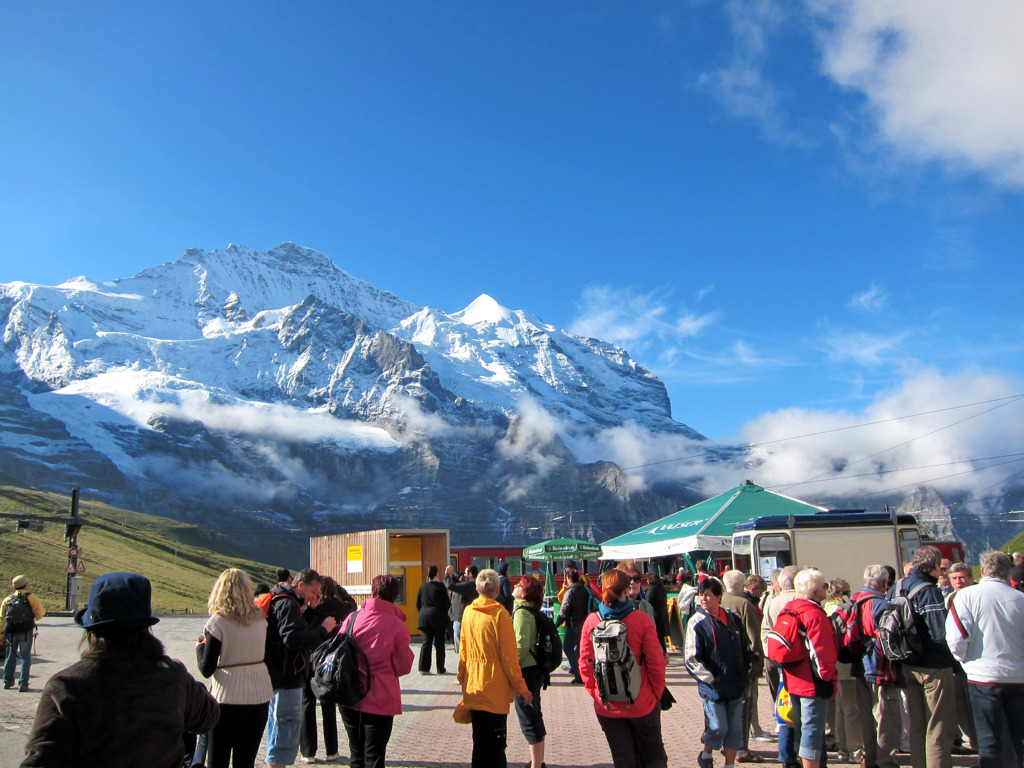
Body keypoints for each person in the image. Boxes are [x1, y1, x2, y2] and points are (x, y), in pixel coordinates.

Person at [21, 571, 219, 767]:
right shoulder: (171, 675)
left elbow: (41, 759)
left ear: (91, 629)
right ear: (145, 627)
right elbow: (209, 717)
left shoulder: (66, 686)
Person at [579, 569, 668, 768]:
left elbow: (585, 664)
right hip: (642, 701)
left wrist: (596, 692)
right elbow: (656, 662)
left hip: (608, 705)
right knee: (654, 756)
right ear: (626, 591)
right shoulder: (641, 619)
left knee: (623, 759)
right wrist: (655, 693)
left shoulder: (592, 621)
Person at [946, 550, 1024, 767]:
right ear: (1008, 570)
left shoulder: (966, 596)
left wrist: (965, 662)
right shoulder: (1020, 598)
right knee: (1020, 739)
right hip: (1018, 677)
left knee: (989, 741)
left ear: (983, 570)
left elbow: (955, 638)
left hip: (982, 676)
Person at [196, 568, 274, 768]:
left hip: (228, 695)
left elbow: (207, 669)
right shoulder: (259, 619)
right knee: (245, 760)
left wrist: (200, 648)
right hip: (259, 694)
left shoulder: (218, 622)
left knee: (217, 759)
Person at [458, 568, 532, 768]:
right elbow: (509, 657)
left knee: (479, 745)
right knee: (496, 747)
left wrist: (462, 677)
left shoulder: (468, 612)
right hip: (495, 689)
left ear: (477, 588)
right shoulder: (500, 614)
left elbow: (463, 651)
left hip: (474, 686)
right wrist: (522, 688)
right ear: (497, 590)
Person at [264, 568, 337, 768]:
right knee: (283, 736)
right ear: (301, 585)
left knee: (280, 733)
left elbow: (299, 630)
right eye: (314, 592)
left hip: (283, 676)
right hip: (287, 677)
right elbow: (292, 639)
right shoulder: (288, 605)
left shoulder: (289, 602)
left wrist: (312, 610)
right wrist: (323, 630)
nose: (317, 596)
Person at [340, 574, 414, 768]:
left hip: (349, 695)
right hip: (380, 697)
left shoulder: (352, 617)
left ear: (373, 591)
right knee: (374, 757)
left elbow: (339, 651)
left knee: (356, 755)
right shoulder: (397, 625)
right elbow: (403, 666)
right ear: (395, 596)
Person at [897, 545, 956, 768]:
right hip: (933, 665)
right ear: (934, 566)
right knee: (939, 727)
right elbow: (940, 633)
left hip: (907, 662)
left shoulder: (899, 586)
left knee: (918, 726)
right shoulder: (929, 591)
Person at [686, 576, 752, 768]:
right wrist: (710, 679)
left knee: (734, 731)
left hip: (736, 684)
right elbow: (691, 658)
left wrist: (745, 669)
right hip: (713, 688)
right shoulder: (696, 622)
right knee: (718, 727)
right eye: (701, 595)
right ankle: (706, 753)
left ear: (718, 597)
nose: (703, 599)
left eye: (707, 595)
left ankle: (729, 765)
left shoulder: (733, 618)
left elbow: (744, 646)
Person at [777, 568, 837, 768]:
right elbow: (822, 652)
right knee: (812, 730)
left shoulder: (790, 608)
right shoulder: (814, 614)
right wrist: (827, 678)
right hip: (812, 681)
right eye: (823, 586)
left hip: (793, 678)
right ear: (816, 590)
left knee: (802, 728)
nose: (825, 590)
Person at [299, 576, 356, 764]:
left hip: (310, 656)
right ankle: (332, 751)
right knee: (328, 703)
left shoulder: (312, 607)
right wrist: (339, 588)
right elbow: (352, 603)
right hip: (329, 660)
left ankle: (308, 752)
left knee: (307, 703)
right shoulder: (339, 606)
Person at [850, 564, 902, 768]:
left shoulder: (855, 599)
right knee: (885, 717)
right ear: (884, 583)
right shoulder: (880, 604)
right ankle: (885, 761)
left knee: (866, 718)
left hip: (857, 664)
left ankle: (869, 758)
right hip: (878, 666)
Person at [721, 570, 764, 763]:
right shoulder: (745, 604)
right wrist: (756, 663)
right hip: (742, 665)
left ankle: (728, 744)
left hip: (722, 665)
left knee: (726, 706)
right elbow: (754, 639)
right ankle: (741, 748)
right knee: (744, 706)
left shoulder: (718, 601)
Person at [822, 578, 862, 764]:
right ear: (837, 594)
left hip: (834, 664)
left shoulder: (825, 609)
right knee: (851, 709)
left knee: (839, 709)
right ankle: (855, 749)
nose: (848, 595)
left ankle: (842, 747)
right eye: (846, 592)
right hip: (847, 664)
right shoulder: (845, 609)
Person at [512, 575, 548, 768]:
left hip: (526, 670)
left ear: (524, 593)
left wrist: (511, 669)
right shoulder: (530, 611)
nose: (514, 586)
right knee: (535, 714)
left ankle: (535, 764)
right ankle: (538, 761)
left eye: (518, 585)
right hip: (536, 669)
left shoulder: (520, 613)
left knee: (528, 717)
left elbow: (520, 646)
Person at [945, 562, 977, 755]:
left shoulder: (976, 595)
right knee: (960, 703)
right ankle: (970, 739)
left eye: (962, 577)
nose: (958, 581)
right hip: (956, 661)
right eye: (955, 578)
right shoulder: (950, 598)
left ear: (971, 578)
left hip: (974, 658)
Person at [2, 574, 45, 692]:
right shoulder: (32, 598)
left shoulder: (8, 599)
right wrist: (32, 619)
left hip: (10, 631)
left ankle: (7, 681)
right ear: (26, 585)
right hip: (26, 631)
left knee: (10, 656)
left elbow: (2, 617)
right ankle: (23, 683)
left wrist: (1, 634)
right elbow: (40, 613)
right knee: (25, 657)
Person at [555, 567, 589, 684]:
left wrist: (557, 623)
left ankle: (578, 673)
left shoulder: (570, 592)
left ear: (569, 579)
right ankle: (584, 673)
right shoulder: (585, 590)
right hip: (584, 623)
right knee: (580, 650)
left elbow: (564, 610)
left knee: (568, 647)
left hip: (573, 624)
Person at [416, 565, 450, 675]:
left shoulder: (423, 587)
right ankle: (440, 668)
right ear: (437, 574)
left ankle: (423, 668)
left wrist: (423, 612)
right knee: (440, 643)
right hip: (438, 617)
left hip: (424, 617)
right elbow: (447, 603)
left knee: (427, 642)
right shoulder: (441, 586)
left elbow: (418, 603)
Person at [446, 564, 479, 651]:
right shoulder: (472, 585)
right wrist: (452, 577)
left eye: (465, 573)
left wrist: (447, 575)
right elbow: (459, 585)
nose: (464, 575)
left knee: (461, 647)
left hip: (461, 620)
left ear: (470, 574)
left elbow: (451, 586)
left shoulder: (470, 586)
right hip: (462, 619)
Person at [645, 574, 670, 655]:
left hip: (655, 615)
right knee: (660, 638)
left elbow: (647, 602)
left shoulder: (652, 589)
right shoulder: (661, 588)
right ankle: (664, 654)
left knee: (657, 636)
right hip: (662, 614)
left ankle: (661, 654)